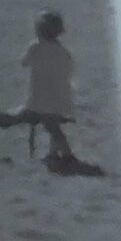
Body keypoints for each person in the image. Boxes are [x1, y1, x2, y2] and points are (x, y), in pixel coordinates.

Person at [13, 9, 78, 162]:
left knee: (51, 126)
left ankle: (67, 153)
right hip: (59, 93)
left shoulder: (35, 47)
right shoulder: (62, 51)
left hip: (41, 94)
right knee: (53, 122)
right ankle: (53, 153)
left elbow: (24, 62)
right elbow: (69, 69)